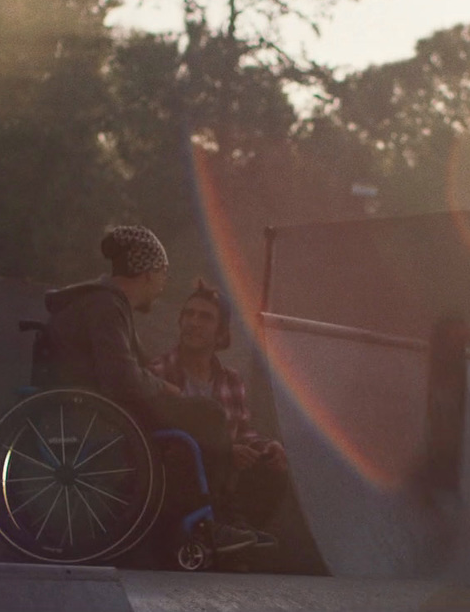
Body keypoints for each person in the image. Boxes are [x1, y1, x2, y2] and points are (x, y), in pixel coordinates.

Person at [43, 225, 259, 553]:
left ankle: (214, 518)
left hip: (97, 407)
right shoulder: (105, 306)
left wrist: (164, 389)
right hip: (97, 413)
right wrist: (168, 391)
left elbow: (134, 370)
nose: (162, 287)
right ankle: (212, 521)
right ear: (148, 274)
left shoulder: (107, 306)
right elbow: (122, 378)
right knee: (208, 414)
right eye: (163, 275)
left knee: (198, 417)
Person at [148, 279, 289, 545]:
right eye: (188, 314)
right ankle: (208, 531)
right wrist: (225, 451)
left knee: (274, 464)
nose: (193, 322)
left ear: (221, 333)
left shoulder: (231, 380)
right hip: (174, 479)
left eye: (205, 317)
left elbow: (243, 432)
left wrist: (266, 446)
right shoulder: (159, 372)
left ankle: (237, 536)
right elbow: (160, 437)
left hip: (224, 483)